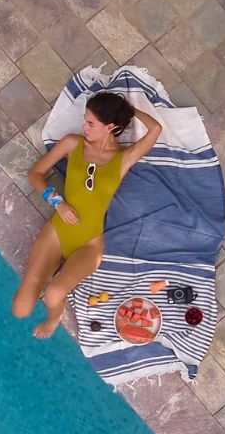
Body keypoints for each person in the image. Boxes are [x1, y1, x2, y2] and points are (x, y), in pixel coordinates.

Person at [13, 91, 163, 338]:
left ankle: (53, 319)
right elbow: (35, 174)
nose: (84, 127)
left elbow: (155, 129)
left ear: (110, 127)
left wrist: (126, 109)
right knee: (21, 307)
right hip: (57, 232)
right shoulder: (73, 143)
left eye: (91, 123)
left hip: (89, 244)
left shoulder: (123, 158)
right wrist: (58, 203)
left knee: (53, 294)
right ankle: (49, 272)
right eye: (85, 120)